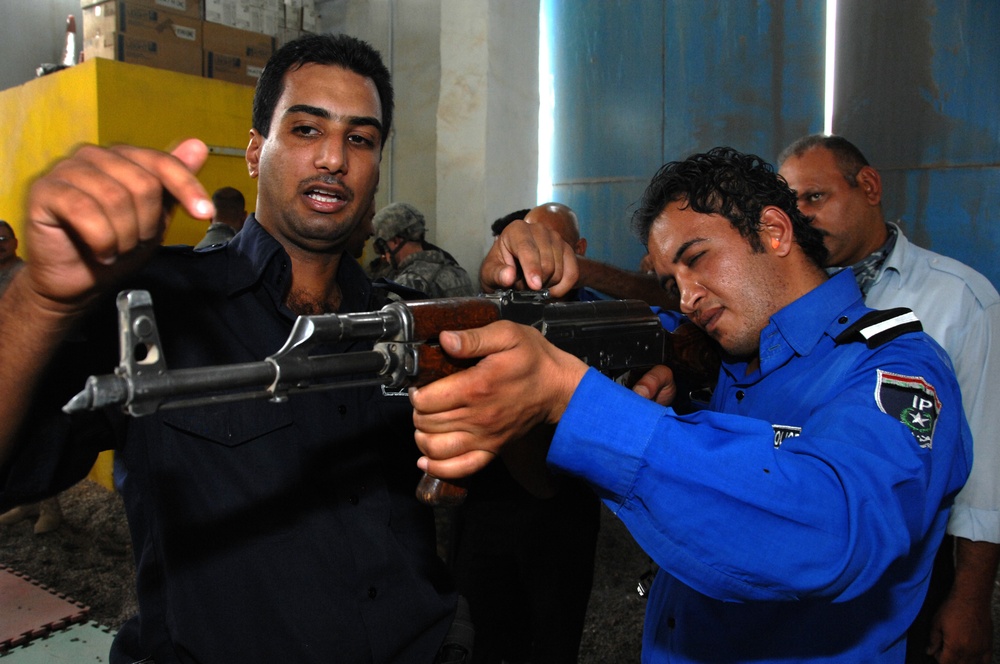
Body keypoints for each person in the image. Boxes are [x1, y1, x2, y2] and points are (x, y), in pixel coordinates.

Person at [408, 147, 972, 662]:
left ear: (774, 231)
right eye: (669, 279)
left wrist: (579, 403)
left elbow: (835, 531)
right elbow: (615, 328)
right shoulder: (716, 350)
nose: (686, 297)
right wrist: (531, 281)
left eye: (697, 258)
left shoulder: (897, 368)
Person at [0, 34, 458, 663]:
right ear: (253, 150)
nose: (333, 158)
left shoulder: (410, 321)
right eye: (304, 129)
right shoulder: (161, 305)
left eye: (360, 138)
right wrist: (42, 298)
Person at [778, 134, 1000, 664]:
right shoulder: (783, 301)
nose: (802, 217)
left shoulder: (959, 300)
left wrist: (970, 598)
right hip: (796, 549)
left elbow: (986, 467)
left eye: (815, 197)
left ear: (869, 186)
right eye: (791, 206)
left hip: (911, 559)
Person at [450, 202, 601, 664]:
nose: (540, 257)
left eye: (554, 244)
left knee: (555, 638)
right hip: (488, 501)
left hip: (564, 507)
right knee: (487, 634)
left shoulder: (600, 319)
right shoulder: (492, 313)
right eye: (530, 242)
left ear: (578, 250)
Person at [0, 220, 63, 534]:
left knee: (39, 440)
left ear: (14, 242)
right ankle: (26, 502)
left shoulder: (27, 276)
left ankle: (50, 509)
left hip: (32, 373)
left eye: (3, 238)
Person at [372, 202, 476, 297]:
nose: (384, 256)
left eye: (383, 248)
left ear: (395, 241)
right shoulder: (458, 272)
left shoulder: (408, 284)